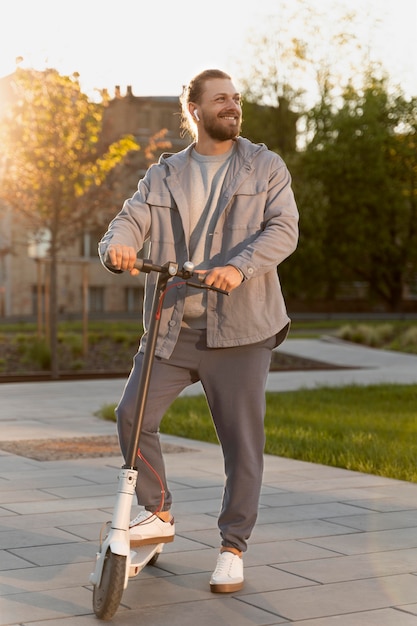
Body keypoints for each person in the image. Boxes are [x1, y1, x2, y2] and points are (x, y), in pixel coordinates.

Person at [99, 68, 299, 593]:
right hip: (172, 327)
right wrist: (116, 246)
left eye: (236, 98)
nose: (232, 106)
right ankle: (158, 513)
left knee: (241, 445)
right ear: (195, 111)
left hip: (241, 329)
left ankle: (233, 547)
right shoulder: (163, 175)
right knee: (130, 416)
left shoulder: (264, 166)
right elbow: (131, 219)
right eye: (220, 99)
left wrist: (239, 267)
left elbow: (283, 229)